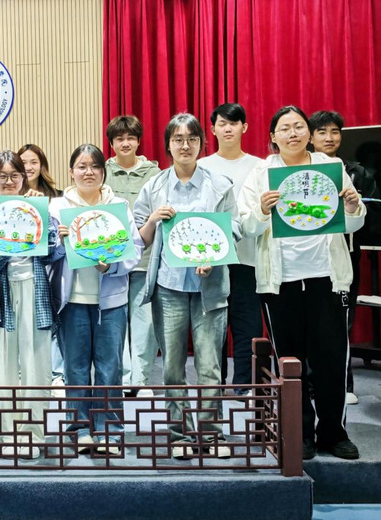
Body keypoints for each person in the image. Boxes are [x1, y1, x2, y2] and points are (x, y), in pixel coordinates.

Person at [239, 106, 365, 460]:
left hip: (328, 277)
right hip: (280, 282)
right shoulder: (261, 173)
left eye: (298, 127)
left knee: (331, 357)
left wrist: (352, 207)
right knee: (290, 360)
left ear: (309, 134)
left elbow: (353, 223)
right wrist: (262, 210)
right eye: (284, 128)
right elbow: (245, 226)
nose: (292, 133)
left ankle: (334, 432)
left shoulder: (331, 167)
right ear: (273, 137)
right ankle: (300, 432)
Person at [133, 113, 239, 460]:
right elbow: (139, 238)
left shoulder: (219, 185)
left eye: (192, 139)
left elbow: (234, 227)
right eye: (177, 139)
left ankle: (211, 433)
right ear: (168, 145)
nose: (185, 145)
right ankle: (179, 433)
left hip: (210, 287)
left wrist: (215, 256)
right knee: (173, 367)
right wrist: (153, 219)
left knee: (209, 366)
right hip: (168, 287)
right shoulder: (154, 187)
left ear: (201, 143)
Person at [50, 144, 143, 454]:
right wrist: (60, 244)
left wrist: (110, 266)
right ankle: (79, 429)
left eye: (94, 166)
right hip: (72, 300)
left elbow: (134, 250)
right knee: (75, 369)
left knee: (109, 368)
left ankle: (109, 432)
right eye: (81, 166)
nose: (88, 172)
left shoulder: (118, 206)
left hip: (111, 301)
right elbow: (46, 255)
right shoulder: (56, 208)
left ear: (104, 172)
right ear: (71, 171)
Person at [0, 151, 59, 459]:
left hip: (34, 289)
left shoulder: (37, 207)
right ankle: (9, 433)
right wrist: (5, 245)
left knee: (37, 362)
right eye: (2, 176)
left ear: (24, 177)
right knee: (3, 364)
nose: (8, 182)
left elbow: (53, 251)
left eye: (14, 176)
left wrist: (42, 226)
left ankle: (34, 433)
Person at [309, 110, 380, 405]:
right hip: (308, 257)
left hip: (346, 255)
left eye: (335, 131)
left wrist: (353, 209)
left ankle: (344, 383)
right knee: (309, 322)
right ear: (310, 137)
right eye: (322, 132)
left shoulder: (356, 172)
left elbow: (373, 214)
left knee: (342, 321)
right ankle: (308, 384)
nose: (329, 138)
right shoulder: (300, 171)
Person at [197, 103, 263, 394]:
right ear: (212, 130)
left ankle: (244, 384)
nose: (227, 129)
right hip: (212, 260)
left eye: (233, 123)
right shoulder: (202, 167)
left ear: (244, 127)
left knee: (247, 323)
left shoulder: (259, 166)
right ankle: (215, 382)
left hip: (248, 257)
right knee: (213, 325)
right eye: (222, 124)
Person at [103, 115, 161, 398]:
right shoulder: (101, 171)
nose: (125, 143)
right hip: (111, 263)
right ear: (111, 143)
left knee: (144, 322)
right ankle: (123, 378)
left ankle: (141, 380)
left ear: (138, 141)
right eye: (119, 139)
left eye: (130, 138)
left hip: (145, 260)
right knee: (115, 321)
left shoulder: (155, 174)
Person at [17, 144, 65, 396]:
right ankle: (24, 373)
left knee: (53, 320)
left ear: (42, 165)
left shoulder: (57, 197)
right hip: (23, 269)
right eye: (23, 162)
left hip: (53, 266)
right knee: (22, 322)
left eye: (33, 162)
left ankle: (56, 374)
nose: (28, 167)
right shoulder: (9, 198)